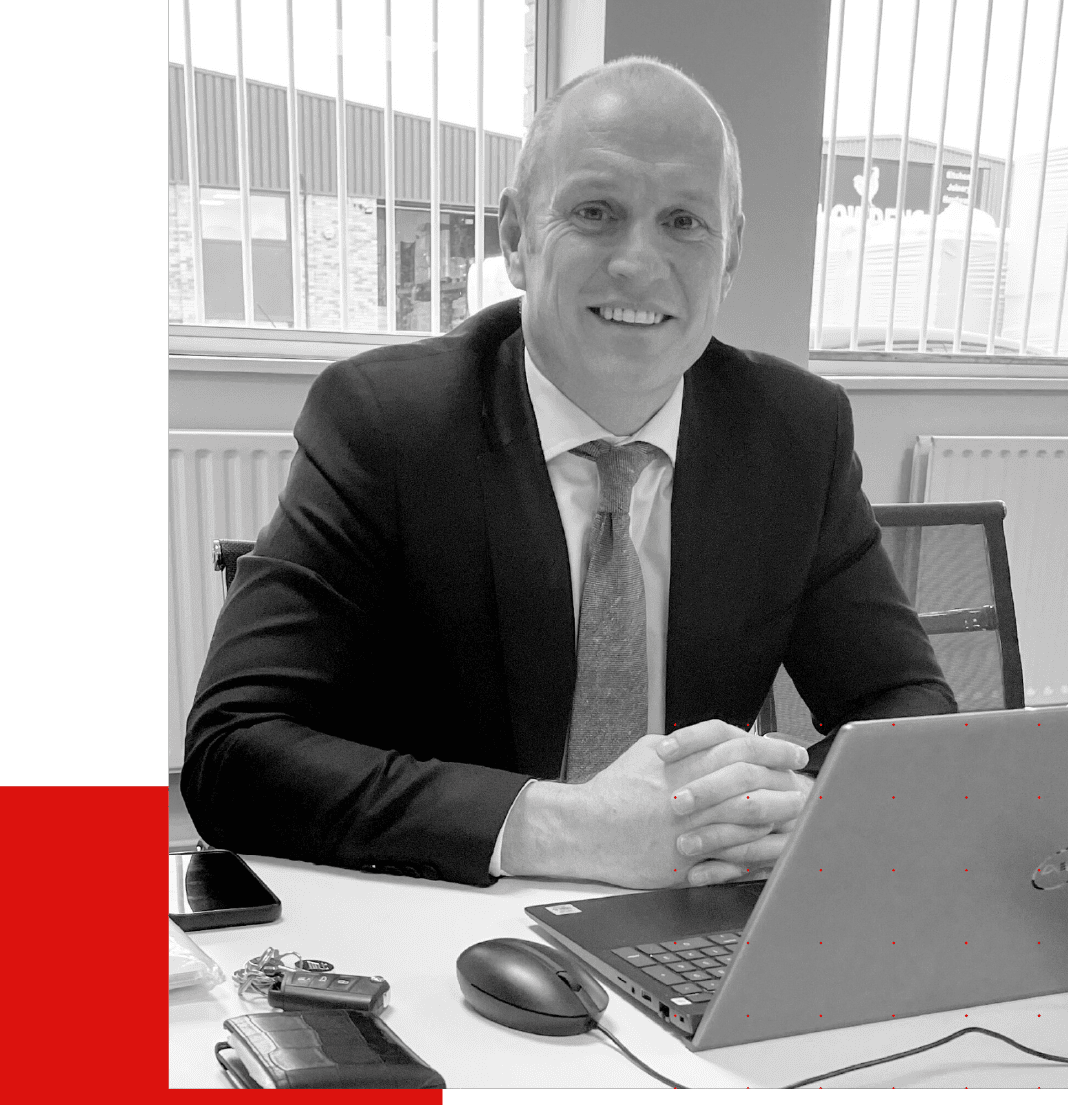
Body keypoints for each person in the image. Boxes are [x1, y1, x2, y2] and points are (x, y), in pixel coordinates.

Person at [183, 58, 954, 890]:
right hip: (443, 919)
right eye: (596, 212)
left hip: (682, 918)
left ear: (730, 261)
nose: (639, 262)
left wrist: (786, 805)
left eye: (685, 222)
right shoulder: (388, 424)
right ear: (515, 238)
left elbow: (910, 710)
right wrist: (562, 827)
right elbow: (234, 753)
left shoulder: (794, 436)